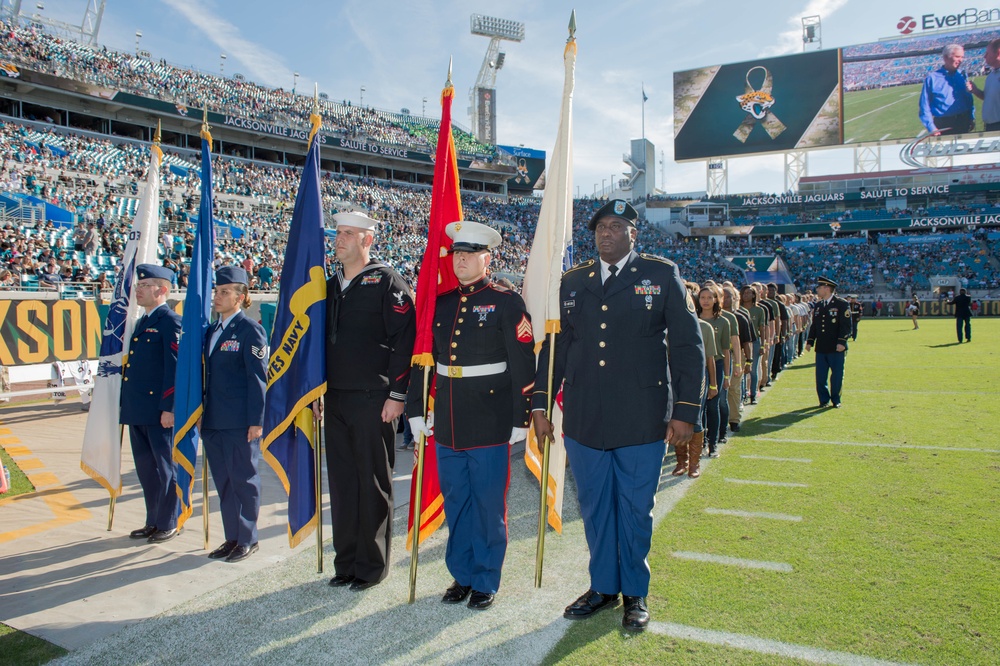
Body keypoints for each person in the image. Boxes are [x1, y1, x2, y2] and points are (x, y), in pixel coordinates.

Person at [531, 200, 704, 632]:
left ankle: (635, 593)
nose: (605, 233)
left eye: (615, 226)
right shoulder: (573, 282)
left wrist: (685, 411)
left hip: (642, 417)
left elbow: (687, 347)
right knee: (594, 510)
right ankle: (603, 587)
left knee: (634, 509)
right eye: (599, 228)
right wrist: (539, 402)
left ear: (633, 233)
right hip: (586, 418)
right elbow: (559, 347)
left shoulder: (661, 275)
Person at [407, 221, 535, 611]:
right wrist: (416, 410)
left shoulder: (506, 301)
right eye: (457, 254)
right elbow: (424, 361)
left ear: (487, 258)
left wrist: (521, 416)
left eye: (470, 254)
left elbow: (522, 363)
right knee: (457, 501)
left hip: (490, 420)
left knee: (488, 505)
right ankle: (461, 574)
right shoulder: (442, 303)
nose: (461, 260)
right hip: (446, 421)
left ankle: (485, 578)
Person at [321, 212, 415, 591]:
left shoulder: (386, 280)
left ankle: (372, 567)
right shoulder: (329, 285)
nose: (338, 239)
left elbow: (405, 339)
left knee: (373, 482)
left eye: (347, 234)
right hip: (336, 397)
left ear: (367, 240)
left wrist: (397, 395)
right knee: (343, 483)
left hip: (374, 399)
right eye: (338, 233)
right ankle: (345, 562)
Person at [202, 266, 268, 563]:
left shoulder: (249, 330)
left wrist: (257, 421)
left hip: (240, 421)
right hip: (214, 419)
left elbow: (258, 379)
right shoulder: (211, 331)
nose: (218, 296)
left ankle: (248, 538)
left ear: (241, 297)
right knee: (224, 482)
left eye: (225, 292)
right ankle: (232, 537)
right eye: (216, 291)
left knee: (244, 480)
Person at [119, 264, 181, 543]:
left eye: (145, 285)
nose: (138, 289)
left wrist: (169, 407)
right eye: (139, 285)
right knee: (146, 470)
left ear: (162, 290)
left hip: (159, 412)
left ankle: (169, 521)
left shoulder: (170, 321)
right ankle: (153, 519)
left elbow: (174, 368)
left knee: (166, 468)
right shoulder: (142, 321)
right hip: (138, 410)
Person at [805, 277, 851, 409]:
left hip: (836, 347)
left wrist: (842, 342)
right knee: (820, 376)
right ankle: (823, 399)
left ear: (827, 288)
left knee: (836, 376)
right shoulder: (819, 305)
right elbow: (815, 325)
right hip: (821, 347)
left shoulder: (841, 304)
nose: (817, 290)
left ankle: (836, 399)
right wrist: (810, 341)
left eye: (819, 287)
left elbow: (846, 325)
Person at [919, 44, 975, 136]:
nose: (960, 60)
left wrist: (971, 116)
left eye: (962, 57)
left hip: (963, 121)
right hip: (943, 124)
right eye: (957, 57)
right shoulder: (932, 78)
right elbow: (924, 105)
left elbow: (968, 98)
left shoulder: (962, 75)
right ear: (945, 57)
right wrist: (931, 127)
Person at [970, 38, 1000, 131]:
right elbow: (987, 97)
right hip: (990, 126)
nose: (984, 56)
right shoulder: (991, 75)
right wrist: (975, 90)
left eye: (987, 53)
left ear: (998, 53)